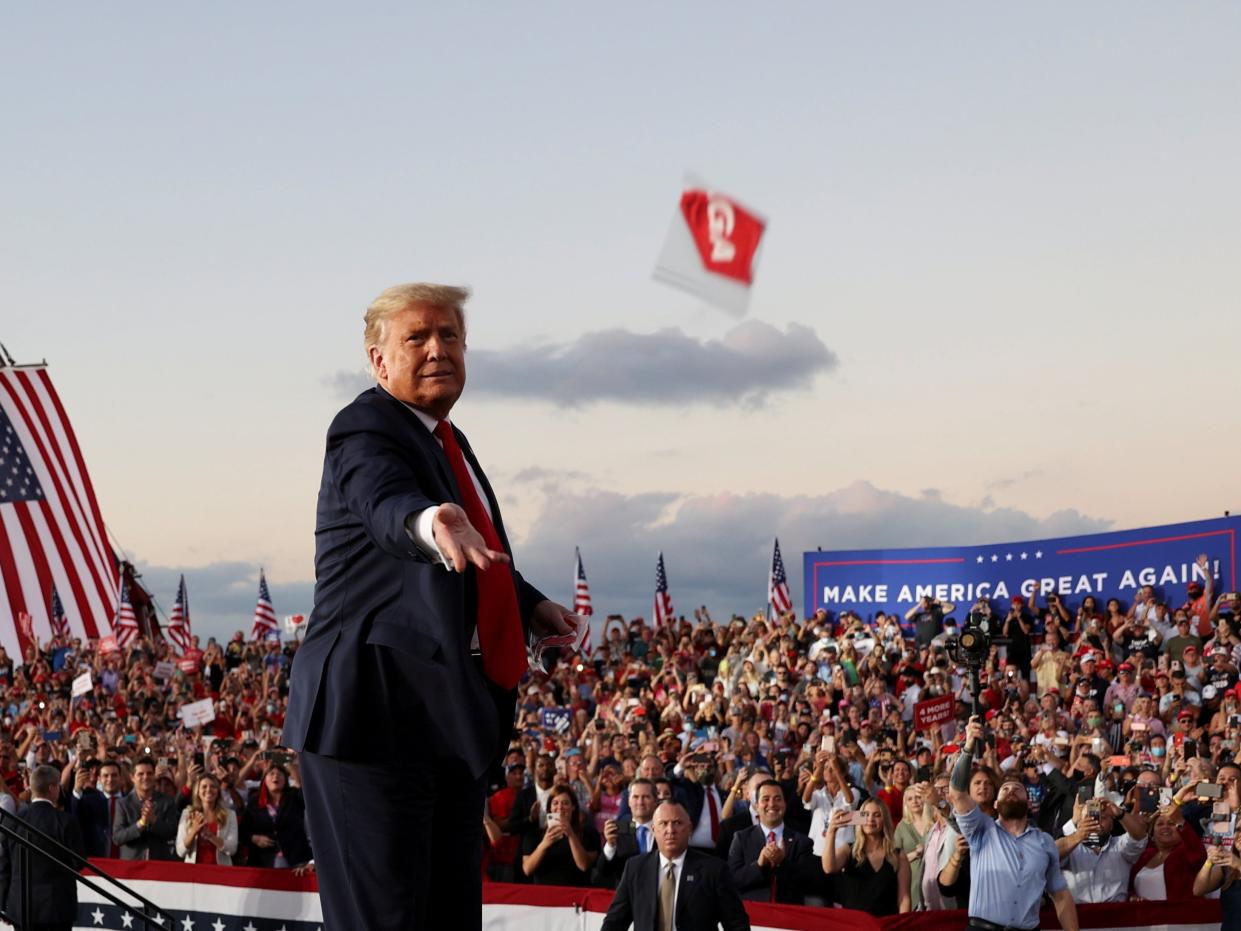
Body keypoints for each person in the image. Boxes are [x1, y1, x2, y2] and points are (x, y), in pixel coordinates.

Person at [285, 283, 578, 929]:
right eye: (416, 337)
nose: (437, 348)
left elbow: (474, 552)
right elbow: (385, 503)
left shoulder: (450, 439)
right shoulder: (365, 426)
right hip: (369, 718)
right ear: (378, 360)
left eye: (449, 335)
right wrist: (424, 522)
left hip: (443, 718)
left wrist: (530, 605)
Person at [949, 716, 1079, 931]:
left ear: (1028, 803)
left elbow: (1061, 896)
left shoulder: (1045, 842)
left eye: (1017, 789)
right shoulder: (980, 829)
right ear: (996, 804)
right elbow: (956, 793)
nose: (1010, 791)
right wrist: (968, 746)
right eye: (1004, 790)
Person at [601, 801, 750, 931]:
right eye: (663, 823)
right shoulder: (635, 868)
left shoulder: (714, 870)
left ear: (690, 828)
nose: (670, 830)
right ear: (654, 829)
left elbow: (737, 924)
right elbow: (614, 922)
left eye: (677, 823)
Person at [0, 763, 84, 931]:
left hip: (20, 907)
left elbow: (3, 864)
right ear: (52, 788)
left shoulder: (13, 821)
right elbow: (78, 862)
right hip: (56, 908)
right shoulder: (65, 821)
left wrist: (3, 903)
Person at [727, 780, 820, 904]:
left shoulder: (802, 842)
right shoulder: (741, 838)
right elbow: (732, 880)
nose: (772, 804)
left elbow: (809, 882)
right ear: (756, 806)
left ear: (785, 804)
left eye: (777, 799)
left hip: (788, 914)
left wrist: (783, 862)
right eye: (765, 799)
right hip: (752, 914)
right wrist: (759, 864)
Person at [822, 798, 912, 915]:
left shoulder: (898, 856)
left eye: (877, 815)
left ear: (884, 820)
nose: (870, 819)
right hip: (854, 924)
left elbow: (904, 898)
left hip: (885, 925)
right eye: (866, 815)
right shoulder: (848, 850)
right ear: (859, 818)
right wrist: (831, 832)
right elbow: (828, 868)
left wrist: (902, 925)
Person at [1056, 794, 1148, 902]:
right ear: (1079, 822)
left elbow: (1140, 837)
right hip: (1078, 914)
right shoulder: (1071, 849)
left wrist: (1120, 813)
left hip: (1115, 914)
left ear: (1112, 824)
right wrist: (1078, 835)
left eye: (1103, 817)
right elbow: (1052, 854)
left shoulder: (1120, 845)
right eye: (1089, 817)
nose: (1096, 822)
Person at [520, 784, 599, 886]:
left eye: (565, 803)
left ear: (573, 807)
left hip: (577, 895)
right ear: (550, 808)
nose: (560, 807)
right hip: (544, 896)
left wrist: (570, 834)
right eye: (555, 803)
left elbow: (584, 865)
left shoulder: (589, 833)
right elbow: (527, 869)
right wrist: (544, 844)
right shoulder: (533, 835)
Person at [242, 764, 311, 869]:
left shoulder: (295, 796)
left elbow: (306, 790)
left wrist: (290, 764)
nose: (276, 776)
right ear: (264, 779)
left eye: (280, 774)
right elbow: (243, 831)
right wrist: (254, 838)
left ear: (286, 779)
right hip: (262, 862)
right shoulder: (254, 801)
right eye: (271, 774)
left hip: (296, 862)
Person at [594, 777, 658, 889]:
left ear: (655, 801)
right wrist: (610, 844)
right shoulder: (618, 829)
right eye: (636, 797)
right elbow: (603, 871)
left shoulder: (664, 827)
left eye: (646, 797)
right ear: (628, 801)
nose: (640, 802)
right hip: (627, 895)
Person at [112, 757, 179, 860]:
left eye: (149, 773)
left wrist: (154, 820)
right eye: (140, 774)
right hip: (131, 866)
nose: (145, 777)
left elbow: (172, 832)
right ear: (132, 777)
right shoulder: (123, 803)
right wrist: (141, 823)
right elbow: (118, 837)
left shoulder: (167, 802)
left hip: (159, 864)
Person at [176, 774, 239, 865]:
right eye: (204, 787)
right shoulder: (187, 813)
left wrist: (210, 836)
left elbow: (232, 849)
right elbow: (180, 851)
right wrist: (194, 830)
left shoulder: (230, 815)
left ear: (218, 791)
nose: (208, 790)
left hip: (221, 872)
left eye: (213, 786)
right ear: (197, 791)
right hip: (194, 873)